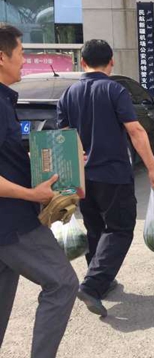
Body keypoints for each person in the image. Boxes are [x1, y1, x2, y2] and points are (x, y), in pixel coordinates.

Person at [57, 39, 154, 318]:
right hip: (113, 174)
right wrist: (153, 168)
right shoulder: (114, 90)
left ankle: (100, 282)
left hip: (83, 177)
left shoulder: (68, 94)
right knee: (120, 229)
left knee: (95, 228)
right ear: (111, 62)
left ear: (82, 62)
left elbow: (63, 138)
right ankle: (92, 285)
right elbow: (136, 131)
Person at [0, 24, 79, 358]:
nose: (24, 60)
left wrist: (61, 162)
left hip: (9, 223)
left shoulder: (5, 100)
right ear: (1, 57)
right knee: (62, 283)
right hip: (12, 223)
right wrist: (32, 195)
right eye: (20, 53)